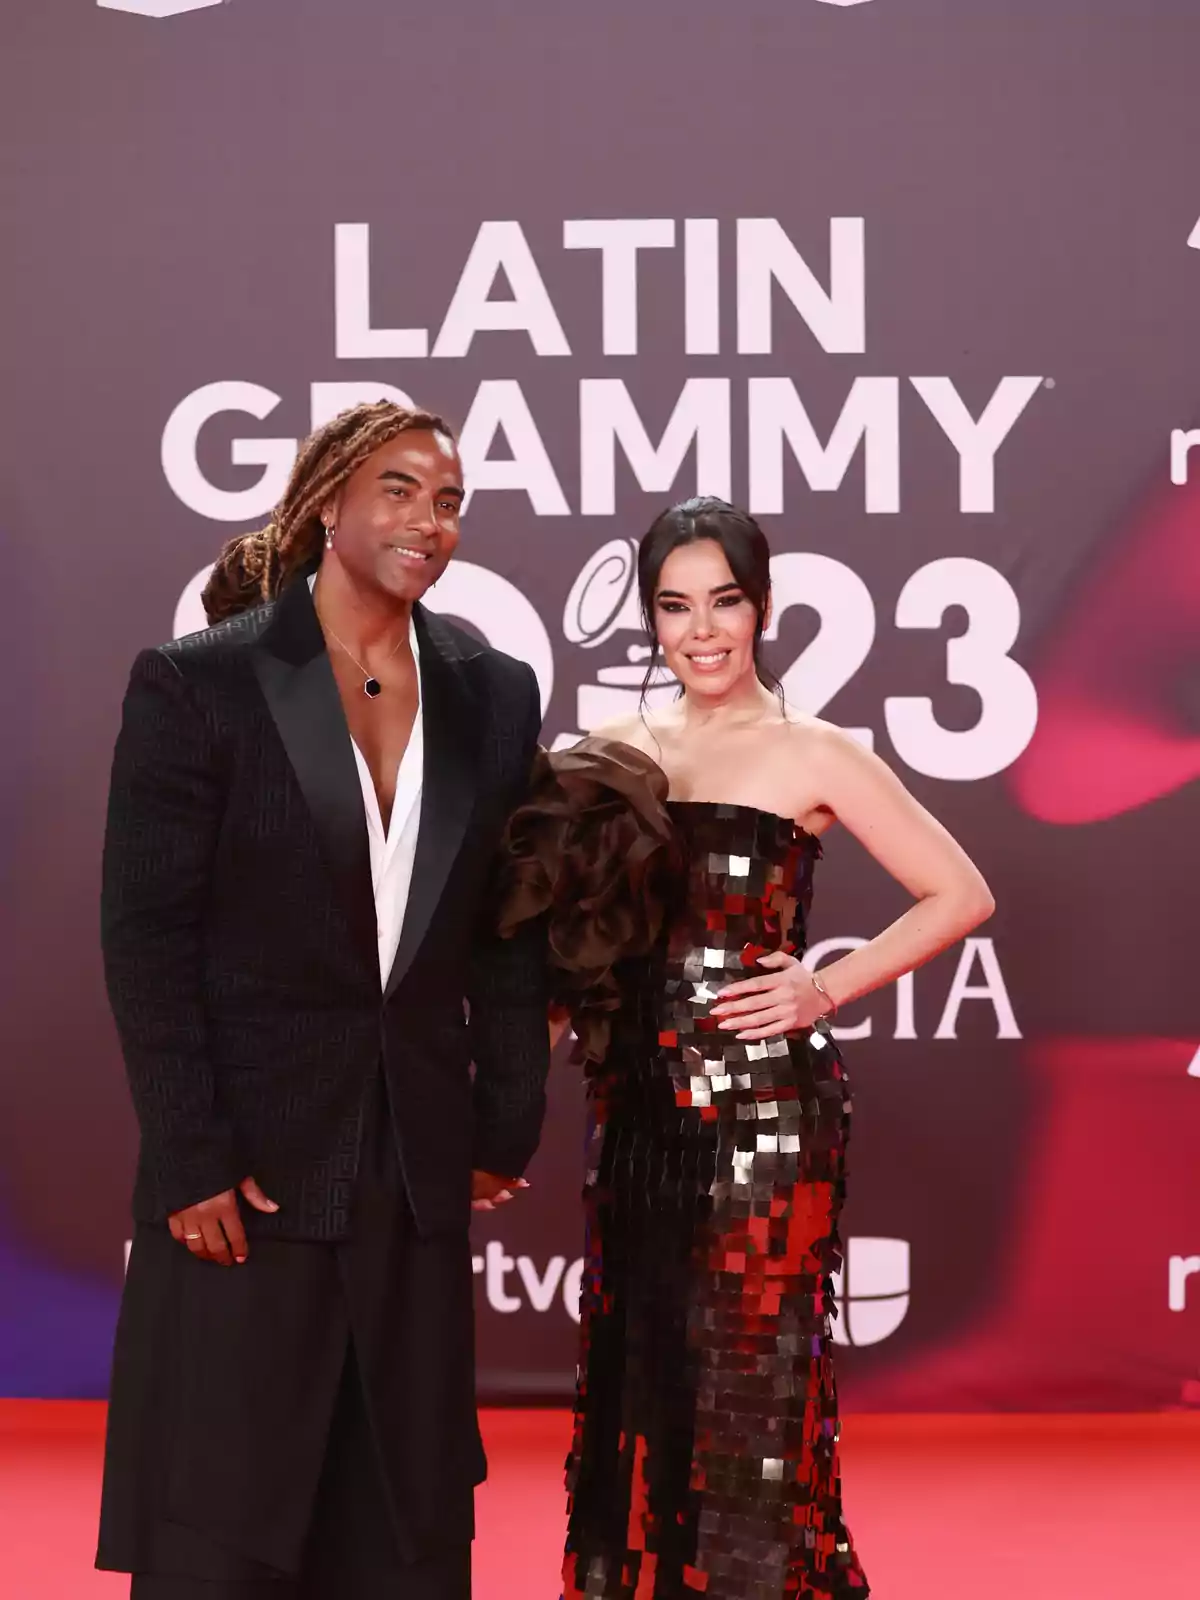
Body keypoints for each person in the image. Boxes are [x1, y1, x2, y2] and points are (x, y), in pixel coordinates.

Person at [498, 497, 995, 1599]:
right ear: (651, 619)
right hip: (635, 1114)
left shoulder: (814, 750)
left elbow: (959, 891)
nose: (702, 631)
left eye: (724, 601)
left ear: (762, 607)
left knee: (753, 1395)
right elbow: (565, 946)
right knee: (643, 1378)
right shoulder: (608, 751)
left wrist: (823, 985)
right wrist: (502, 1104)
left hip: (768, 1120)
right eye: (675, 606)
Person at [96, 400, 550, 1599]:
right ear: (329, 504)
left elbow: (505, 930)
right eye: (399, 490)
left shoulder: (492, 690)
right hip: (244, 1172)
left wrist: (502, 1121)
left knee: (401, 1519)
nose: (428, 521)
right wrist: (189, 1154)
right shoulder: (205, 682)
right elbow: (146, 937)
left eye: (449, 500)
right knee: (227, 1521)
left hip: (410, 1163)